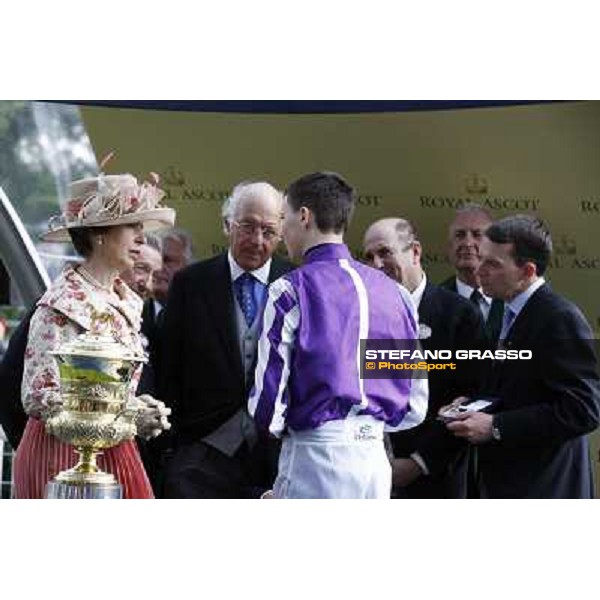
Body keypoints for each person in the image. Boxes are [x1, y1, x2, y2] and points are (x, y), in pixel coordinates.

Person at [249, 172, 428, 499]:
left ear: (304, 217)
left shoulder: (289, 289)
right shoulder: (397, 294)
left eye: (282, 218)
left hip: (315, 457)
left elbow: (267, 406)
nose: (282, 231)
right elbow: (415, 404)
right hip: (375, 459)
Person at [12, 171, 176, 499]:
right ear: (99, 234)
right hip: (60, 458)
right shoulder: (62, 304)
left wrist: (137, 407)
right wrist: (126, 413)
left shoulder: (123, 299)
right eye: (132, 226)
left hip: (115, 450)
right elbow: (39, 396)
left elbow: (108, 388)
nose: (142, 239)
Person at [438, 214, 600, 498]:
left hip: (547, 489)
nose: (479, 270)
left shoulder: (558, 317)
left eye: (492, 264)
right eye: (482, 258)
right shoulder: (512, 310)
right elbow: (521, 386)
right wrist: (474, 404)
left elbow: (584, 409)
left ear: (527, 271)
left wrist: (496, 426)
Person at [159, 181, 293, 498]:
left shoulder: (295, 284)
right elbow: (168, 368)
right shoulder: (190, 284)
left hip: (275, 455)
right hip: (200, 453)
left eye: (268, 231)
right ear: (226, 224)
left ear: (282, 233)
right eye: (247, 227)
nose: (257, 241)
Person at [363, 217, 487, 498]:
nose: (376, 265)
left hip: (439, 479)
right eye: (369, 257)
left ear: (415, 252)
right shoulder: (362, 314)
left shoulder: (459, 314)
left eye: (385, 252)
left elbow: (472, 396)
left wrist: (419, 462)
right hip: (371, 476)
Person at [440, 204, 503, 343]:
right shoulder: (433, 302)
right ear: (449, 246)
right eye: (460, 235)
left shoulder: (514, 299)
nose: (468, 242)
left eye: (477, 235)